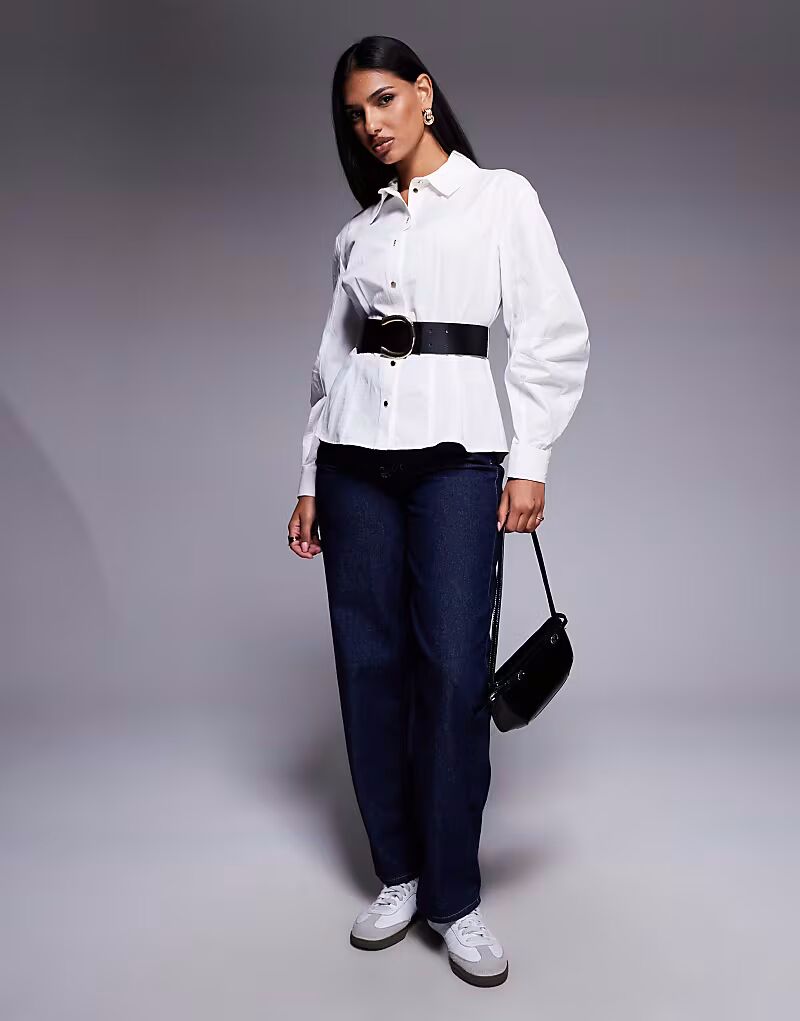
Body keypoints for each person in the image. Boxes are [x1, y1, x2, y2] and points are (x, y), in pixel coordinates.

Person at [287, 35, 590, 988]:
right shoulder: (360, 233)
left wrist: (530, 459)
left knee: (455, 669)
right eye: (353, 114)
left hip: (459, 461)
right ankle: (399, 873)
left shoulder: (501, 197)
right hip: (354, 465)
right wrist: (310, 476)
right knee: (368, 664)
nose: (369, 124)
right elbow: (330, 364)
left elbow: (551, 332)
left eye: (382, 100)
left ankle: (455, 896)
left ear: (423, 93)